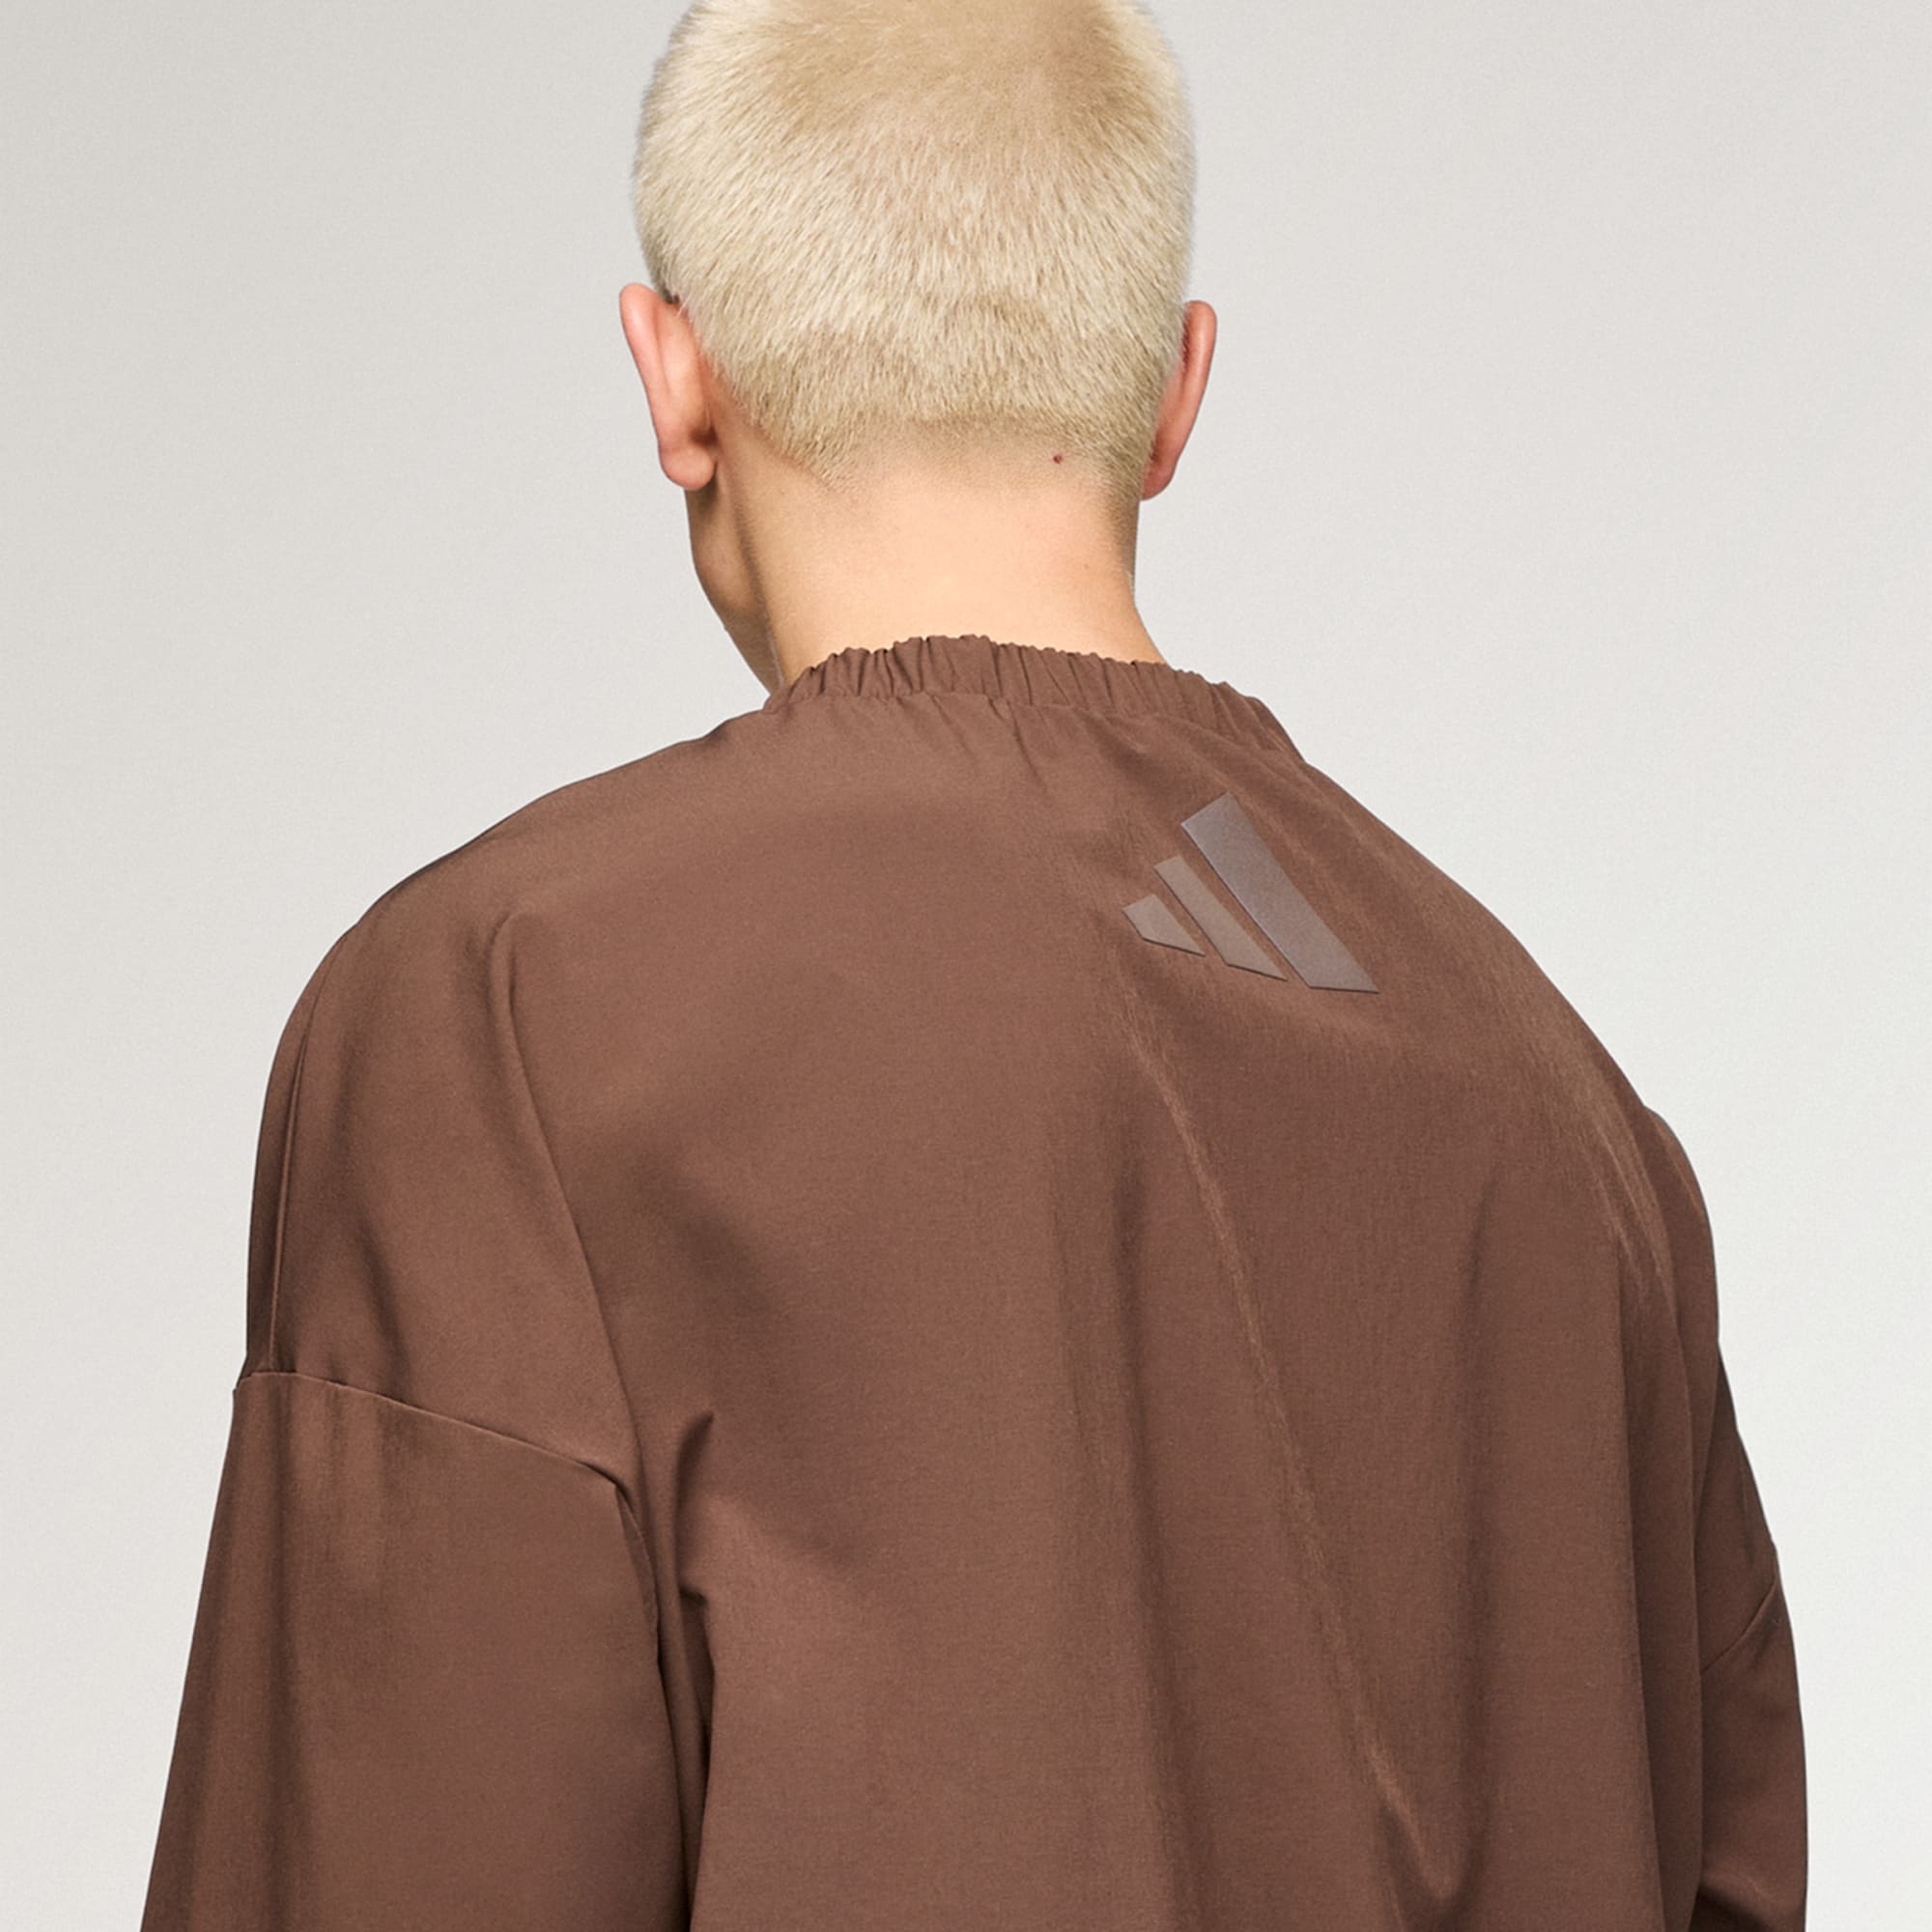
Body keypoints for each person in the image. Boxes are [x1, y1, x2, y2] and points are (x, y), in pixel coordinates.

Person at [138, 2, 1805, 1926]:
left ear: (676, 378)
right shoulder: (1565, 1115)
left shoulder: (513, 1009)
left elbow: (395, 1860)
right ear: (1172, 396)